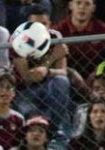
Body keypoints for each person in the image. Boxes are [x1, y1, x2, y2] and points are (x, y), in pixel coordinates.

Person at [12, 4, 71, 135]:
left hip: (49, 87)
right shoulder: (18, 39)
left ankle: (54, 131)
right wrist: (52, 59)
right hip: (24, 92)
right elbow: (28, 78)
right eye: (36, 25)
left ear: (50, 24)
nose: (41, 29)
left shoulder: (55, 37)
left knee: (62, 81)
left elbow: (63, 72)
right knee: (31, 115)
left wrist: (46, 71)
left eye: (44, 24)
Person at [51, 0, 105, 81]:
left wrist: (98, 73)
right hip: (68, 77)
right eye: (78, 3)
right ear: (70, 5)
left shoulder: (103, 30)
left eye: (87, 4)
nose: (82, 7)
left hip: (97, 77)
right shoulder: (58, 30)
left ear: (93, 8)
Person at [0, 70, 24, 150]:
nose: (4, 91)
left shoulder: (18, 119)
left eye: (8, 88)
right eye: (0, 87)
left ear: (13, 93)